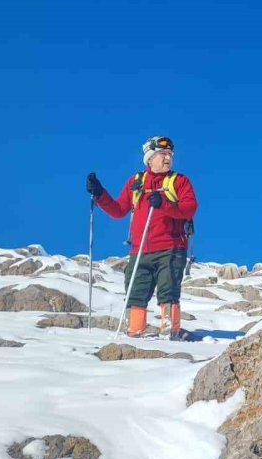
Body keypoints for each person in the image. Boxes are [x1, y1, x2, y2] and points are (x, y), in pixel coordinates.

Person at [85, 136, 198, 339]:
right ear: (149, 158)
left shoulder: (179, 182)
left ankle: (171, 332)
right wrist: (100, 193)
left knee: (169, 290)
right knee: (135, 292)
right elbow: (119, 210)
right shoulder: (136, 182)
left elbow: (189, 209)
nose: (167, 158)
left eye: (170, 154)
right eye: (162, 154)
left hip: (171, 247)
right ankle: (135, 333)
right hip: (140, 250)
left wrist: (163, 203)